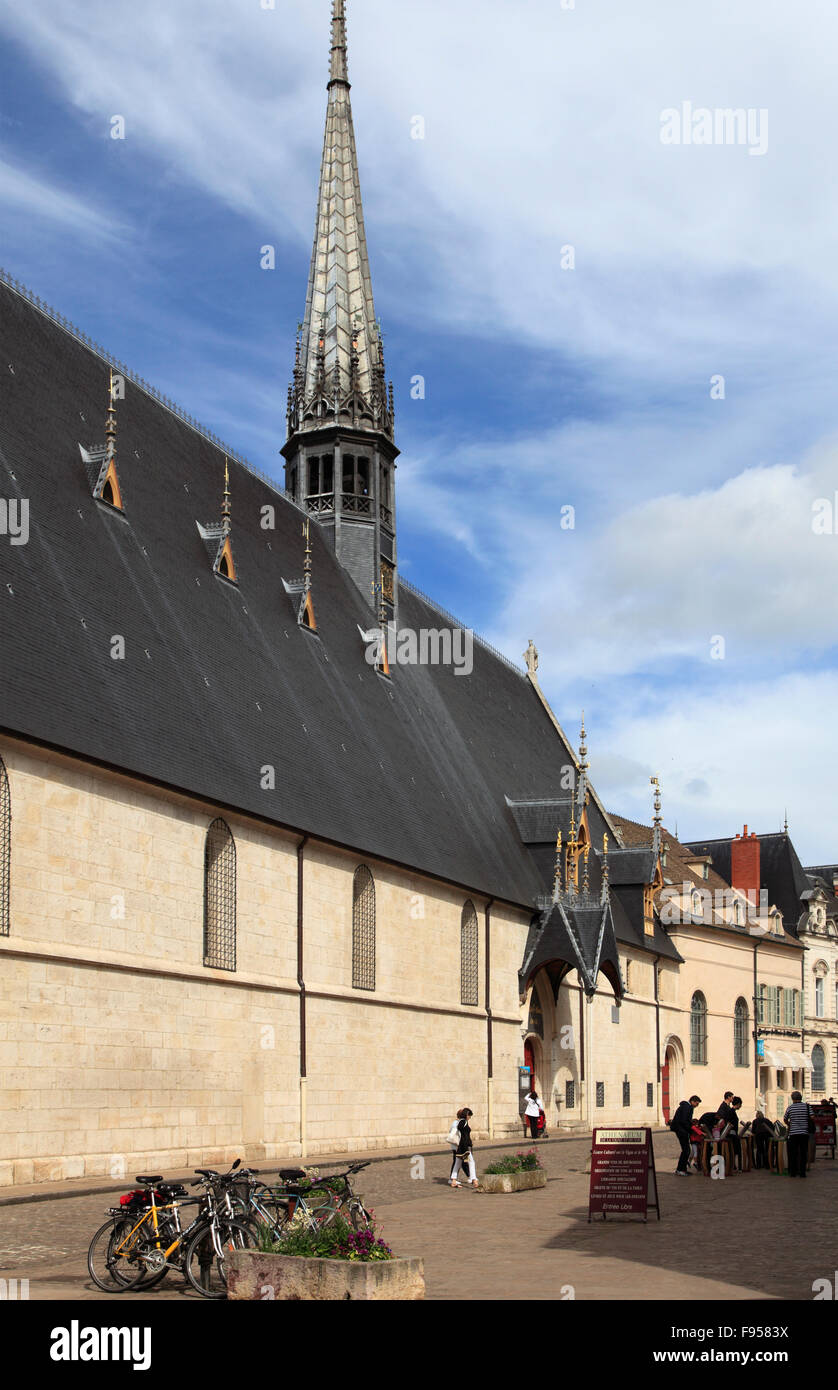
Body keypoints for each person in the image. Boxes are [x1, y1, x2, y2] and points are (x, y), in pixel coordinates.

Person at [670, 1095, 702, 1175]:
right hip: (681, 1130)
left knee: (686, 1150)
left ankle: (681, 1169)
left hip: (681, 1129)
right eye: (696, 1104)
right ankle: (681, 1170)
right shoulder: (687, 1107)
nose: (696, 1106)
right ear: (693, 1101)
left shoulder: (686, 1106)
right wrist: (691, 1129)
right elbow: (684, 1121)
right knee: (686, 1150)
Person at [449, 1106, 479, 1188]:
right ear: (466, 1115)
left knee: (458, 1163)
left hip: (461, 1147)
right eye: (469, 1115)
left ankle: (453, 1180)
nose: (470, 1117)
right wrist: (468, 1144)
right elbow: (464, 1135)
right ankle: (474, 1179)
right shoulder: (463, 1122)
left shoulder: (461, 1122)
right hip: (464, 1147)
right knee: (471, 1162)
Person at [784, 1091, 811, 1178]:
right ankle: (802, 1172)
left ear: (792, 1099)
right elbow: (812, 1117)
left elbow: (785, 1119)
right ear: (801, 1098)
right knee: (803, 1153)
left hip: (793, 1134)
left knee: (793, 1153)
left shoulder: (790, 1108)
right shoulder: (807, 1107)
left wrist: (790, 1124)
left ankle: (793, 1172)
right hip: (804, 1133)